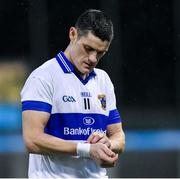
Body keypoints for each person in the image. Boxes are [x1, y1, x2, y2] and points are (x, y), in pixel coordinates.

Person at [21, 9, 125, 178]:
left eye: (100, 53)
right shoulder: (43, 77)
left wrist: (108, 144)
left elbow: (118, 136)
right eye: (88, 48)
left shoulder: (103, 80)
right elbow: (32, 139)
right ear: (73, 34)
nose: (92, 58)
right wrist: (87, 150)